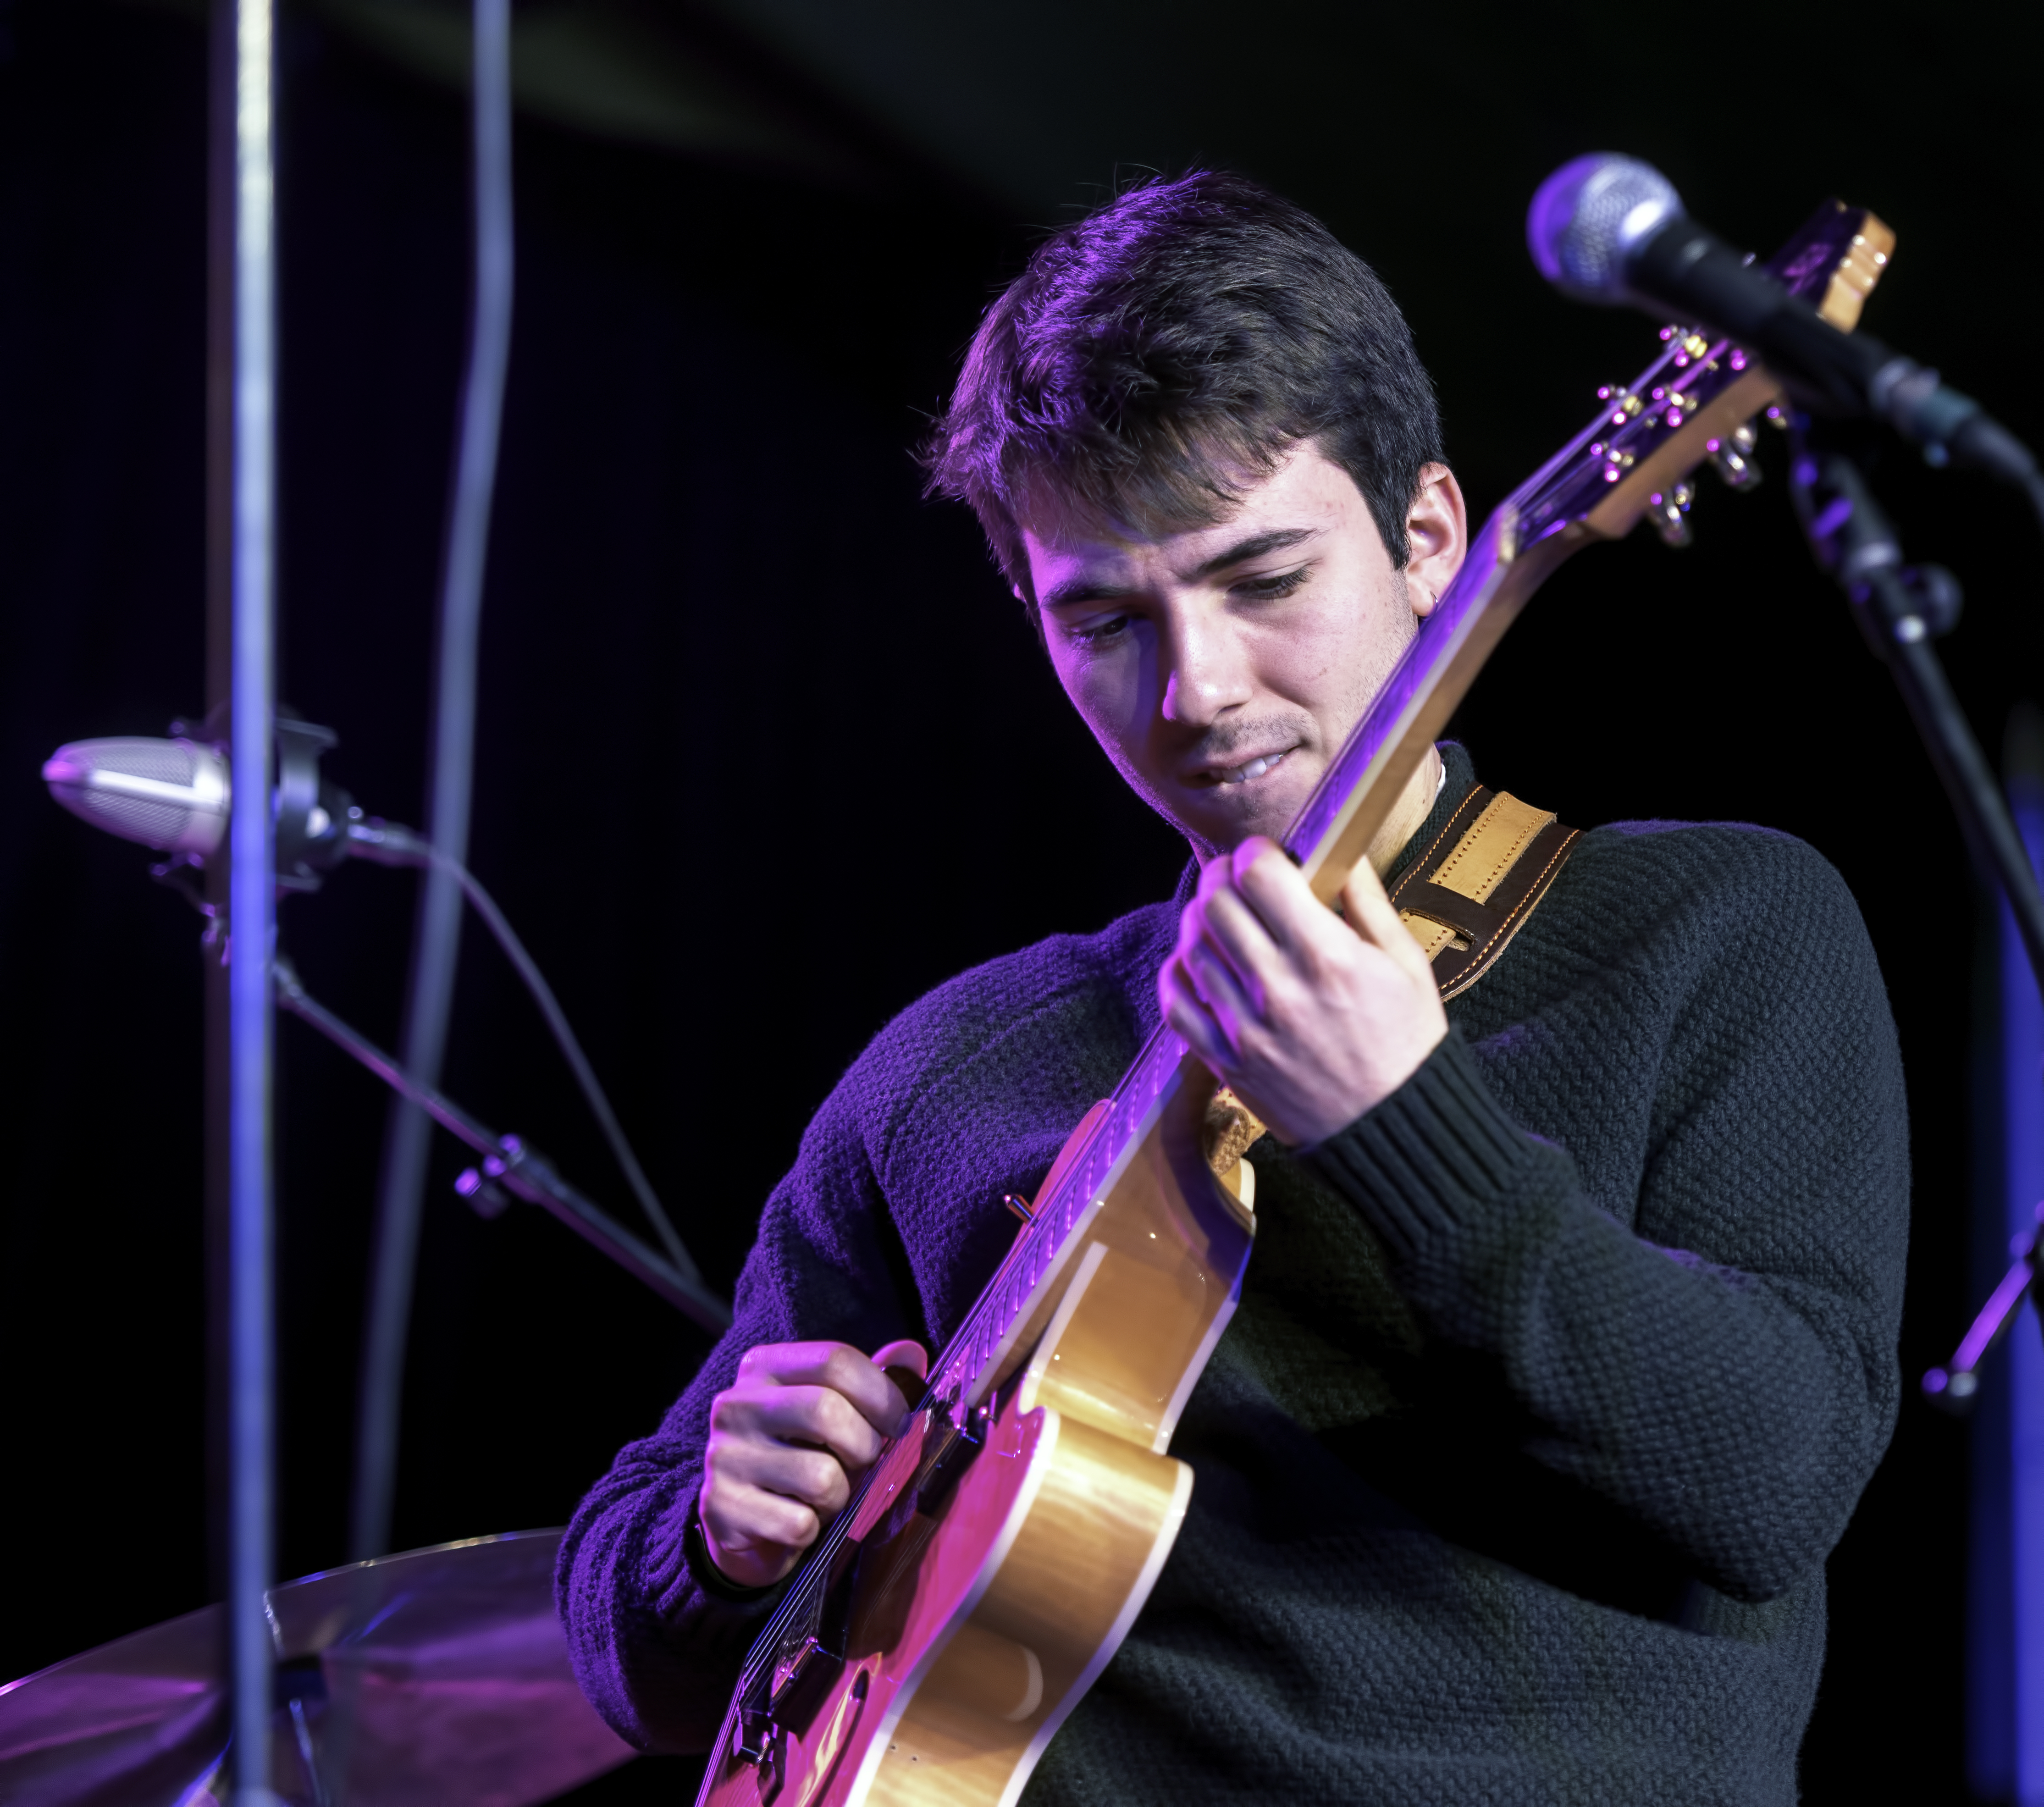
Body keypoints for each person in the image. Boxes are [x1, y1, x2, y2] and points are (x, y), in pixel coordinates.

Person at [558, 171, 1908, 1803]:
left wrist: (1407, 1127)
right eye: (1105, 618)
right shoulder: (961, 1063)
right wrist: (717, 1538)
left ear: (1428, 538)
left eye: (1262, 580)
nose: (1194, 691)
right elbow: (623, 1643)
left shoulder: (1713, 925)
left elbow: (1768, 1484)